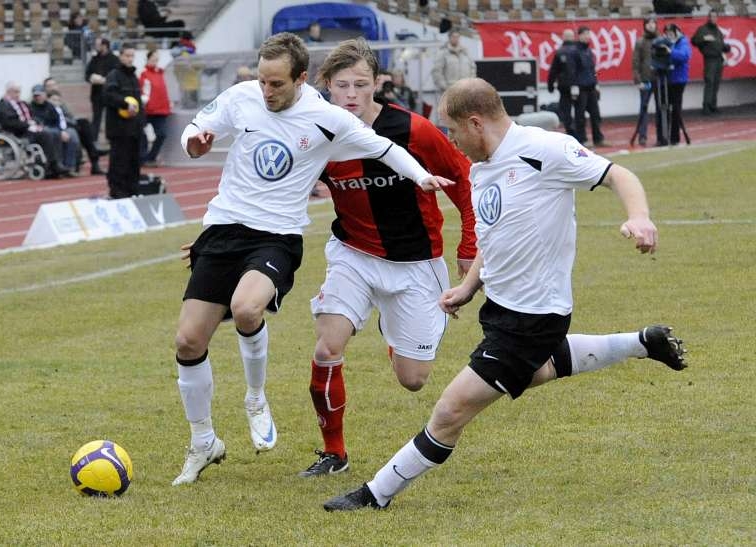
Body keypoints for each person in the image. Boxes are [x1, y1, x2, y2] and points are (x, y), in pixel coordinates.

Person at [323, 78, 687, 512]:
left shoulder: (544, 149)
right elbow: (493, 238)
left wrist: (640, 217)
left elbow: (618, 175)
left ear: (475, 123)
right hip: (501, 308)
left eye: (453, 132)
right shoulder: (481, 168)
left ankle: (375, 494)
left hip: (535, 315)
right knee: (535, 371)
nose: (452, 143)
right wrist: (469, 286)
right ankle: (643, 342)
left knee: (450, 411)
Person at [170, 32, 453, 487]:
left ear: (300, 80)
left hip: (306, 241)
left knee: (411, 378)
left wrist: (421, 178)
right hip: (255, 236)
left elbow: (387, 148)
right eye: (262, 80)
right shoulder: (243, 98)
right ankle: (210, 442)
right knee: (190, 341)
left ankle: (257, 396)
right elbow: (198, 130)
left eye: (276, 83)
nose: (266, 91)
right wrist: (195, 143)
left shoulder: (330, 120)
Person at [298, 39, 476, 478]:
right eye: (342, 86)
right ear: (327, 86)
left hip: (416, 262)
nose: (353, 95)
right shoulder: (317, 133)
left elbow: (463, 179)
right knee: (327, 348)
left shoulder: (413, 131)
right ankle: (333, 453)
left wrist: (469, 248)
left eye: (362, 84)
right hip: (351, 255)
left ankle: (392, 328)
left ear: (378, 83)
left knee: (413, 379)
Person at [0, 81, 69, 178]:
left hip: (29, 128)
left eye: (18, 92)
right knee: (46, 134)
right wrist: (27, 125)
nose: (18, 94)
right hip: (18, 132)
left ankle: (56, 163)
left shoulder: (22, 103)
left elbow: (32, 115)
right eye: (16, 92)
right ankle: (53, 165)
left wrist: (35, 122)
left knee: (55, 133)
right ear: (9, 92)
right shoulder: (3, 106)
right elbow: (9, 123)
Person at [44, 76, 107, 175]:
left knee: (84, 123)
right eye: (49, 86)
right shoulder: (45, 103)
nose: (52, 87)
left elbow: (69, 115)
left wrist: (71, 122)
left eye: (54, 85)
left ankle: (94, 160)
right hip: (57, 127)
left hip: (67, 124)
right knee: (77, 130)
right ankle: (92, 154)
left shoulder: (60, 102)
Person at [103, 43, 143, 199]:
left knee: (134, 162)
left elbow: (139, 102)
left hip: (134, 128)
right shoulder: (114, 75)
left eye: (132, 56)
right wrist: (125, 103)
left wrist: (141, 122)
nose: (130, 59)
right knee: (119, 161)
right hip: (119, 129)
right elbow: (108, 96)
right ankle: (117, 191)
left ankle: (133, 190)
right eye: (127, 55)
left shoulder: (133, 76)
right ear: (120, 56)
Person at [30, 84, 80, 176]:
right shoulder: (31, 107)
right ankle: (55, 165)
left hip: (54, 129)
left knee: (71, 135)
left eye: (39, 95)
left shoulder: (50, 106)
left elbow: (58, 120)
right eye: (35, 96)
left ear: (44, 95)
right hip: (40, 131)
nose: (37, 98)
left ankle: (69, 166)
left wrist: (62, 131)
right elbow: (34, 122)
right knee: (53, 134)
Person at [632, 15, 665, 147]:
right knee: (643, 109)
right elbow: (635, 62)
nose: (651, 25)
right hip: (646, 79)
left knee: (660, 108)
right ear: (644, 25)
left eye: (653, 23)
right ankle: (642, 136)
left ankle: (662, 136)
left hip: (659, 79)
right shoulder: (640, 41)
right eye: (648, 23)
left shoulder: (661, 40)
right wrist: (638, 80)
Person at [691, 9, 730, 116]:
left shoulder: (718, 31)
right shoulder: (703, 29)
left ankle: (713, 105)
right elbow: (694, 40)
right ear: (708, 17)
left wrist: (726, 48)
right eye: (711, 16)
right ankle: (706, 106)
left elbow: (721, 45)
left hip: (719, 59)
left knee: (716, 83)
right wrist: (704, 39)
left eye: (715, 16)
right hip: (710, 59)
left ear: (717, 18)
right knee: (710, 82)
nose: (713, 18)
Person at [573, 26, 606, 148]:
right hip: (580, 88)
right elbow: (572, 70)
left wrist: (596, 82)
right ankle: (582, 139)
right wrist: (574, 86)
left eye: (589, 33)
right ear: (580, 35)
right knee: (580, 115)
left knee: (596, 114)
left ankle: (598, 139)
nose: (587, 36)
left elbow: (593, 70)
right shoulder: (575, 51)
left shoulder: (589, 52)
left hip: (591, 86)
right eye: (585, 33)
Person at [139, 50, 171, 167]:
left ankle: (150, 157)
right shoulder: (144, 74)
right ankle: (142, 157)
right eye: (153, 59)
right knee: (141, 133)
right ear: (148, 59)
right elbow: (144, 91)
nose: (155, 61)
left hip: (161, 110)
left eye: (156, 59)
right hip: (147, 110)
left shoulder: (160, 73)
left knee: (162, 134)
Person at [85, 37, 120, 143]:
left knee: (112, 118)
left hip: (110, 94)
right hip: (96, 93)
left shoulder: (114, 59)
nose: (96, 47)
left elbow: (117, 76)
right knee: (96, 118)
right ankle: (93, 140)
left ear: (105, 46)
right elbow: (87, 74)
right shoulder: (94, 59)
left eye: (98, 44)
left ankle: (112, 139)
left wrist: (105, 80)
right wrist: (91, 78)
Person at [663, 23, 691, 145]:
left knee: (676, 109)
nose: (669, 36)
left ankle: (675, 137)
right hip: (669, 78)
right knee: (668, 107)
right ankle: (668, 136)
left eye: (671, 33)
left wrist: (671, 52)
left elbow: (685, 56)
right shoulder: (669, 42)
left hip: (679, 79)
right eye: (667, 33)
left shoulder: (683, 42)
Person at [547, 29, 578, 139]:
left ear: (563, 38)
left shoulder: (560, 52)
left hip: (564, 85)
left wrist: (550, 85)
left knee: (566, 109)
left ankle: (571, 132)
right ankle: (581, 134)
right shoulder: (580, 50)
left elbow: (553, 71)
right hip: (580, 86)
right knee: (580, 109)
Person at [431, 30, 476, 95]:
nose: (455, 39)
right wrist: (445, 88)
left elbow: (473, 68)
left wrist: (470, 84)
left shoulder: (465, 53)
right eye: (453, 37)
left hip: (465, 91)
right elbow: (437, 72)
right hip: (449, 92)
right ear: (449, 38)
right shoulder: (442, 53)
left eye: (457, 37)